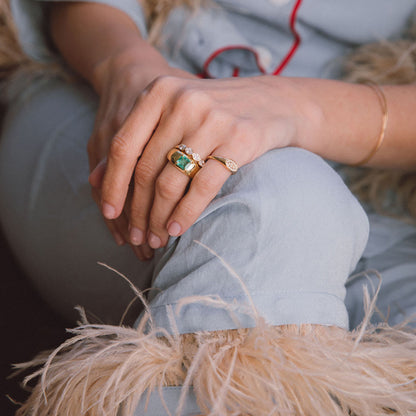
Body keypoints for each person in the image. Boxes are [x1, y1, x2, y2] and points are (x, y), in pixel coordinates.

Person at [1, 0, 416, 414]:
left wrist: (295, 106)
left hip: (382, 190)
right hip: (117, 90)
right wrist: (130, 70)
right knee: (283, 194)